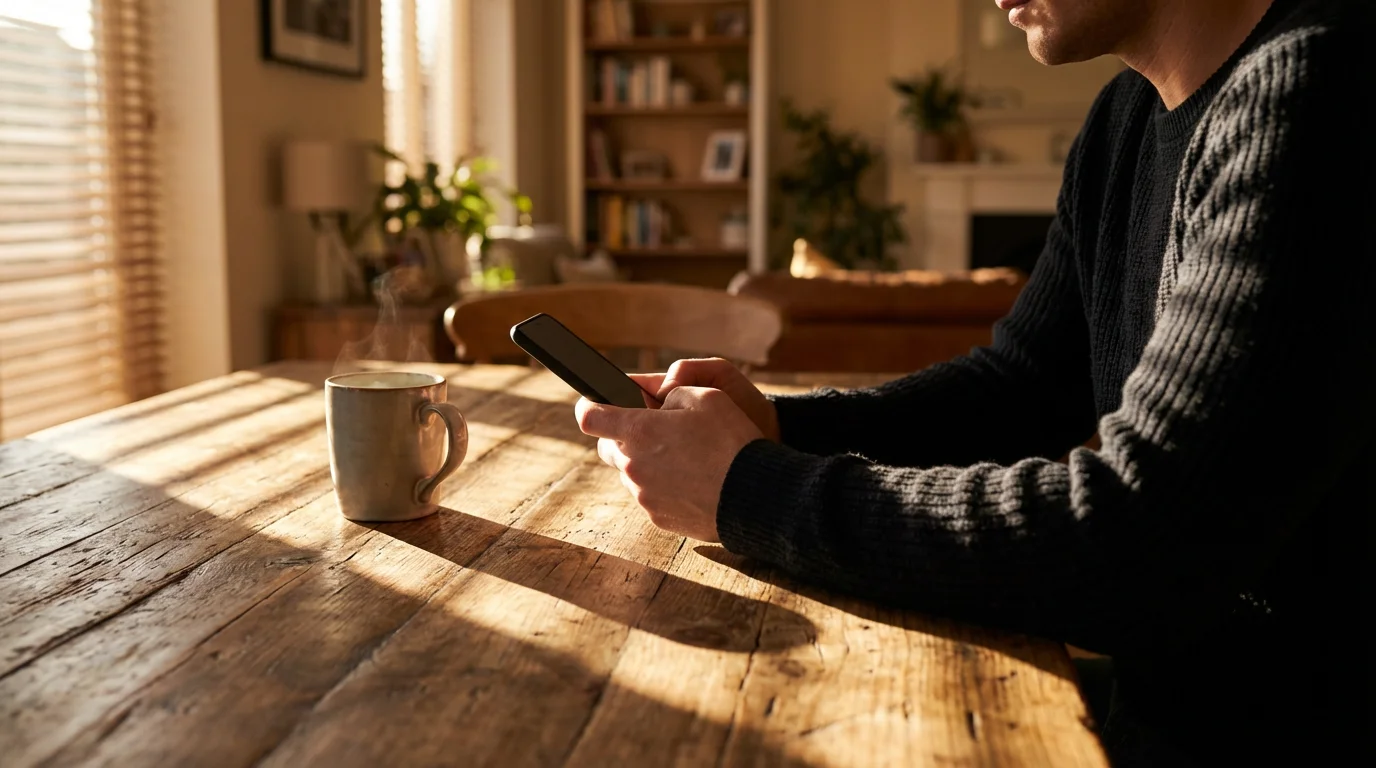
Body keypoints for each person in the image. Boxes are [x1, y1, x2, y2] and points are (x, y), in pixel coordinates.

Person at [577, 0, 1371, 763]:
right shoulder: (1124, 118)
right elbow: (1020, 386)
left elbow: (1137, 544)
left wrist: (749, 491)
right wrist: (784, 428)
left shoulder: (1320, 89)